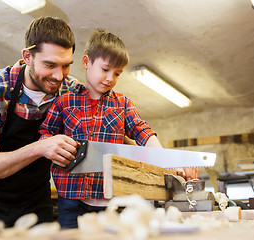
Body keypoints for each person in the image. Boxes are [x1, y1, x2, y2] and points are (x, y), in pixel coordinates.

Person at [39, 29, 196, 228]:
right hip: (71, 197)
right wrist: (51, 148)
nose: (110, 78)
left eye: (117, 73)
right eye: (105, 69)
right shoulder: (64, 101)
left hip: (110, 199)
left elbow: (142, 131)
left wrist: (166, 160)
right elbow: (45, 133)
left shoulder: (122, 104)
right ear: (87, 62)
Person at [0, 17, 80, 234]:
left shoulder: (71, 92)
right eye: (50, 65)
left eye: (66, 66)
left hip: (36, 207)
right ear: (27, 56)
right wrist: (40, 147)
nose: (59, 76)